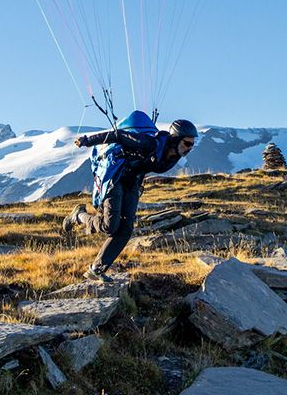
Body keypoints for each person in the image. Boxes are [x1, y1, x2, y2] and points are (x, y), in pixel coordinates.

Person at [63, 116, 197, 281]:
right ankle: (79, 216)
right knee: (109, 226)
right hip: (117, 177)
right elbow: (118, 135)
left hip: (133, 182)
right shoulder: (148, 143)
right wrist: (87, 140)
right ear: (176, 139)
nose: (190, 148)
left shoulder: (173, 156)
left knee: (126, 229)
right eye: (187, 143)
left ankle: (96, 269)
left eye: (192, 144)